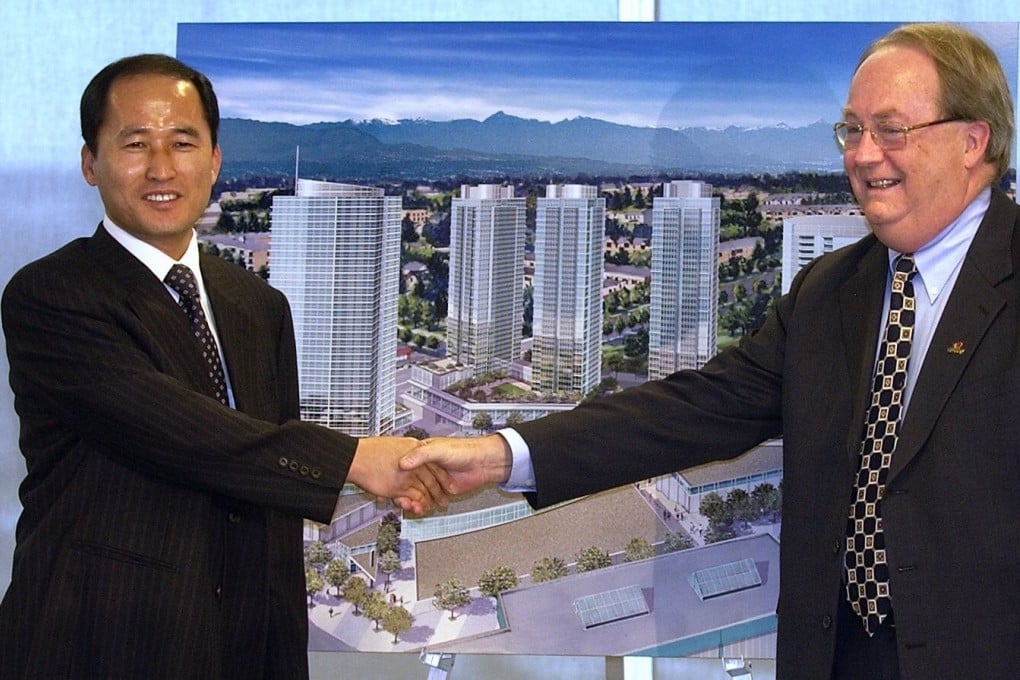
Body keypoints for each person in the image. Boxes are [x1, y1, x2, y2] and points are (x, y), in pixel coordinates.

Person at [402, 23, 1018, 680]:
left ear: (971, 140)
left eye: (890, 129)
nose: (863, 156)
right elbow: (697, 407)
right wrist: (501, 455)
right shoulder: (830, 290)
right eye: (851, 131)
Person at [0, 54, 444, 678]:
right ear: (90, 162)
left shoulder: (258, 305)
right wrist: (352, 459)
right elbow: (176, 431)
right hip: (99, 645)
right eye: (135, 144)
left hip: (249, 648)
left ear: (213, 161)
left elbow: (270, 501)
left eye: (183, 143)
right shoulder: (52, 294)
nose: (161, 168)